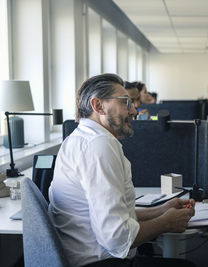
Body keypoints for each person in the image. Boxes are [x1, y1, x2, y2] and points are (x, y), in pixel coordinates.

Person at [48, 74, 196, 267]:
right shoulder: (98, 146)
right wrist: (165, 223)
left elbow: (114, 214)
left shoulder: (79, 138)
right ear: (98, 106)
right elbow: (117, 238)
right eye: (126, 102)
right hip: (101, 262)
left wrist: (160, 210)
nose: (134, 110)